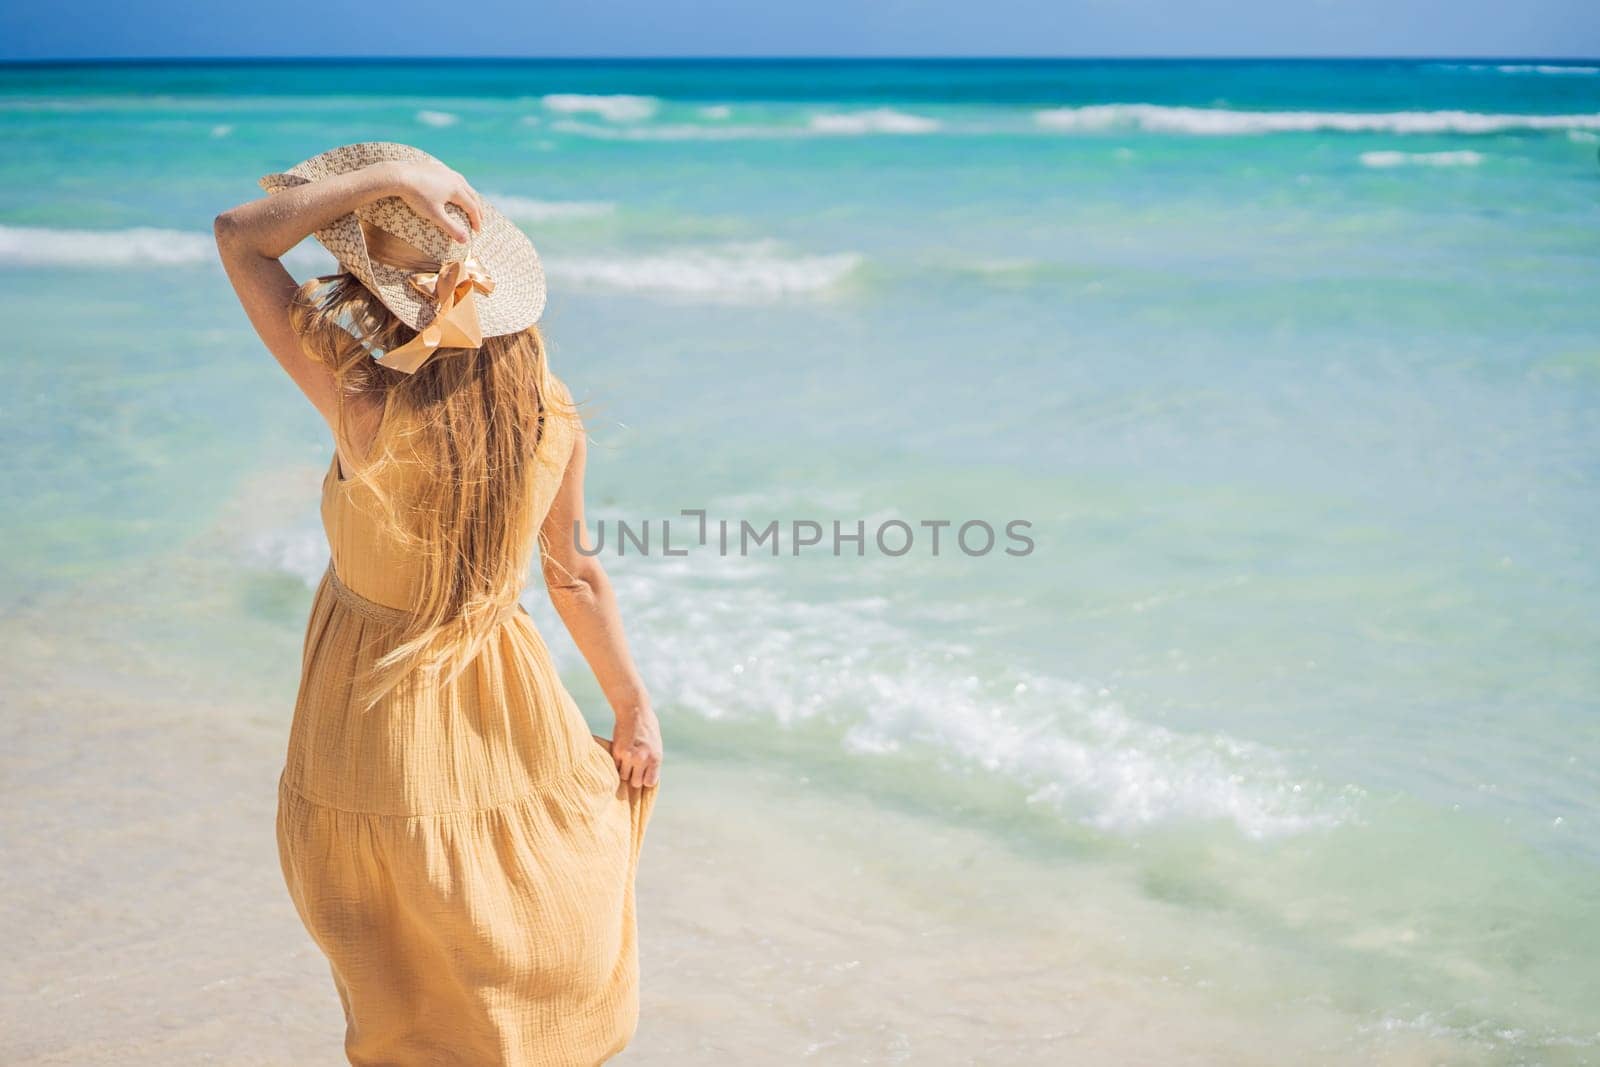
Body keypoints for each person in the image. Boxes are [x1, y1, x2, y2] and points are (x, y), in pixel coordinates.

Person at [213, 141, 662, 1065]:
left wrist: (382, 186)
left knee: (397, 978)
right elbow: (574, 576)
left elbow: (240, 239)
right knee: (515, 934)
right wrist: (631, 705)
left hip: (371, 724)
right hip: (507, 706)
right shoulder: (553, 411)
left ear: (368, 292)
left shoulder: (359, 397)